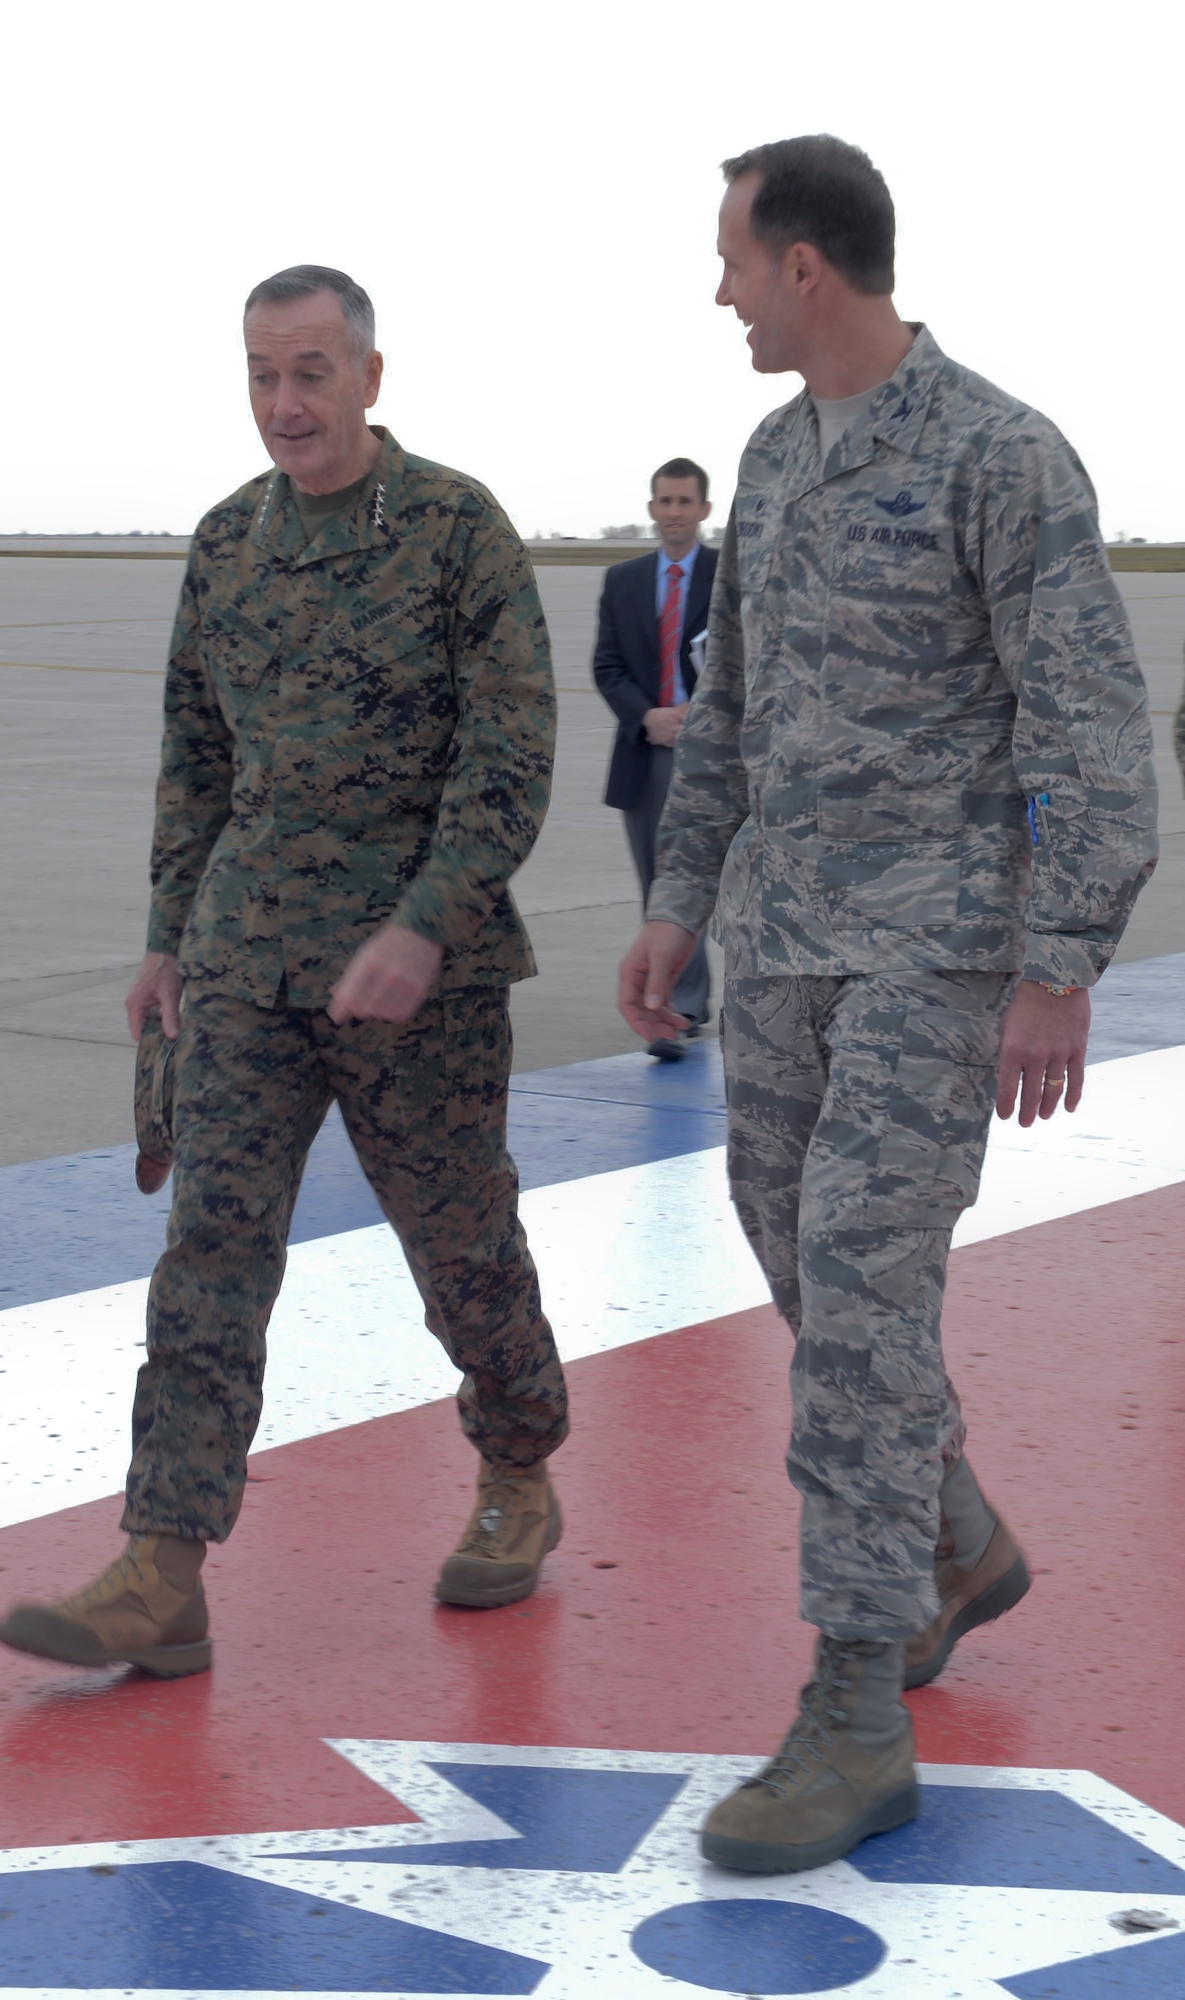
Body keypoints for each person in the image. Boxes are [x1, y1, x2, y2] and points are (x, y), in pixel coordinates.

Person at [620, 137, 1158, 1874]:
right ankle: (946, 1531)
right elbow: (730, 707)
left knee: (856, 1272)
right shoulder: (773, 464)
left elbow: (1085, 727)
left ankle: (854, 1704)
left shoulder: (998, 454)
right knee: (782, 1232)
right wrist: (677, 903)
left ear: (804, 268)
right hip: (780, 942)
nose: (714, 290)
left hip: (937, 947)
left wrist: (1055, 963)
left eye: (728, 258)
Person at [0, 265, 569, 1677]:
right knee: (211, 1252)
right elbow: (196, 754)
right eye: (260, 374)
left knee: (461, 1248)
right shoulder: (225, 544)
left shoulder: (454, 530)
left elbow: (511, 755)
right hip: (248, 959)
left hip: (413, 977)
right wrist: (162, 935)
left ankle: (517, 1464)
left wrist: (427, 923)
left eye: (311, 372)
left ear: (372, 376)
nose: (283, 404)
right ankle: (163, 1563)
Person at [593, 460, 717, 1057]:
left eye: (684, 501)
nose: (673, 511)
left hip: (714, 756)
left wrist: (702, 714)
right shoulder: (624, 581)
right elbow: (607, 666)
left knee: (711, 883)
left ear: (704, 510)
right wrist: (648, 716)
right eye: (664, 501)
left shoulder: (728, 577)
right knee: (659, 887)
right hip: (645, 751)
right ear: (651, 509)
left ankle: (702, 1000)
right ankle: (676, 1007)